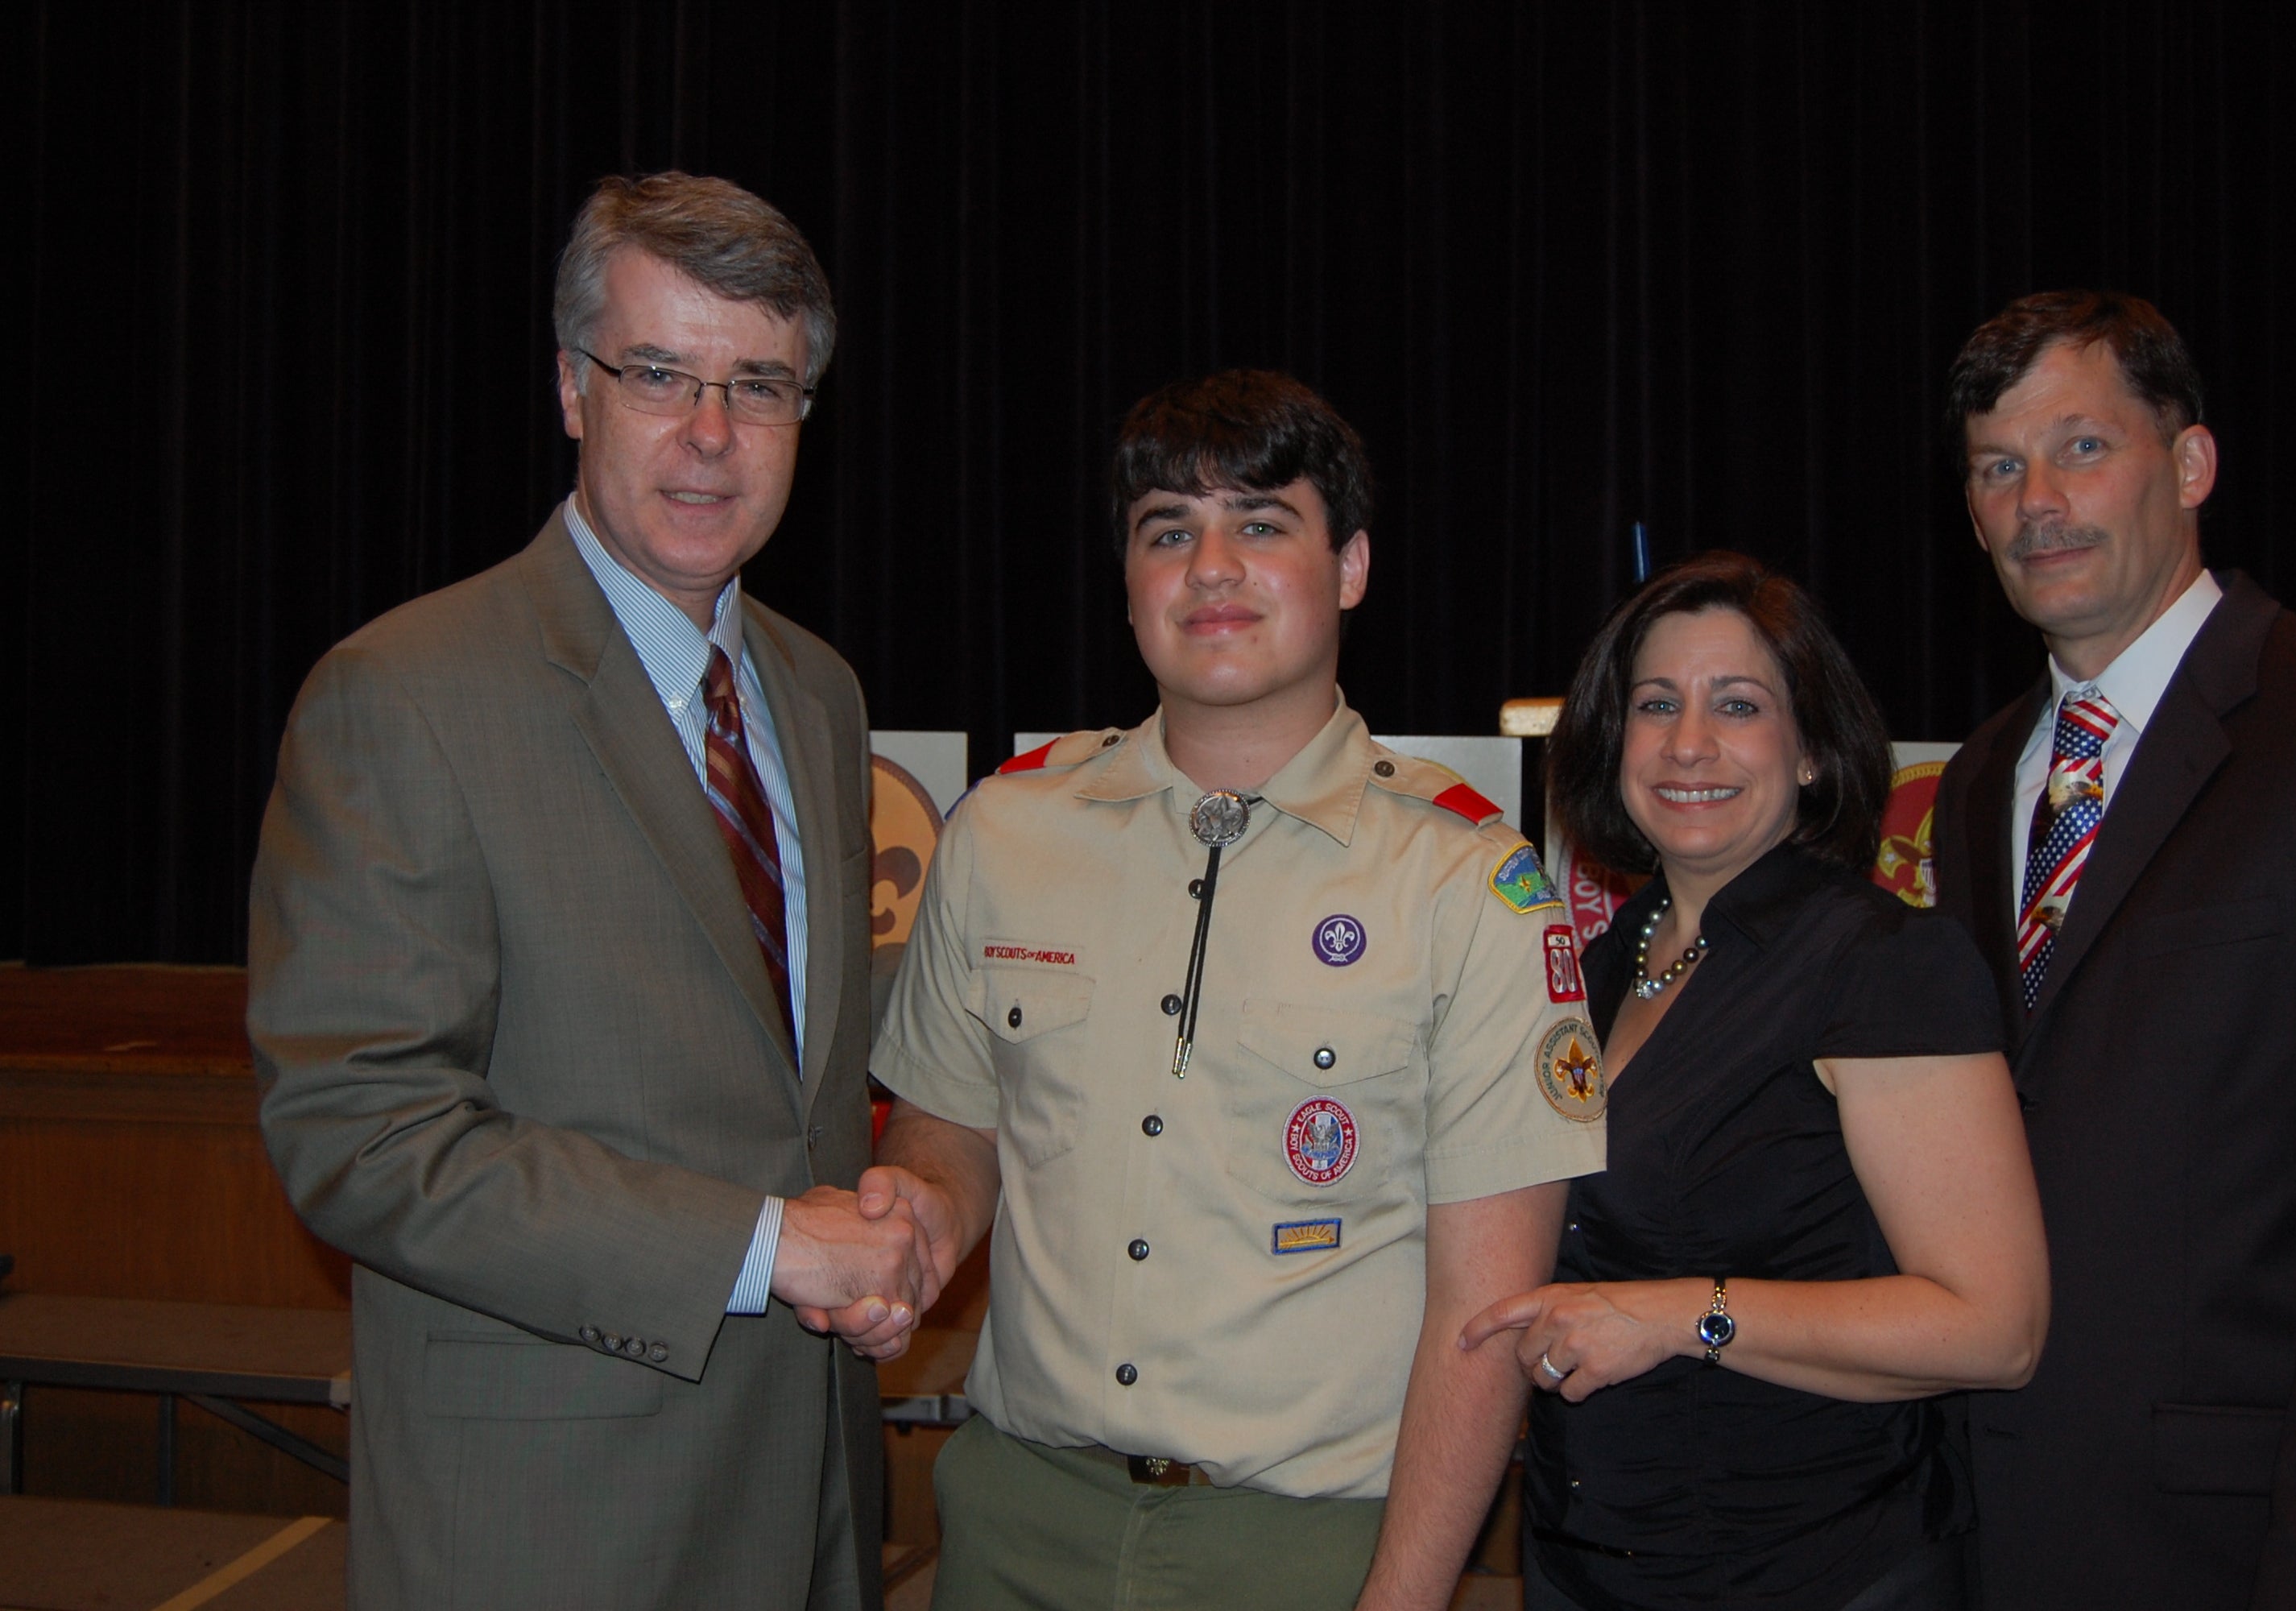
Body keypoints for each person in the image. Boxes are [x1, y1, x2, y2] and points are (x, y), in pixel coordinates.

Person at [250, 172, 923, 1610]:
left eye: (760, 385)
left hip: (805, 1493)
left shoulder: (817, 693)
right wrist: (764, 1246)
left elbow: (790, 1092)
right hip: (549, 1522)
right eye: (659, 373)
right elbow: (359, 1133)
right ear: (570, 388)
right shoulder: (403, 696)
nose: (709, 435)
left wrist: (877, 1228)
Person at [849, 369, 1610, 1610]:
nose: (1211, 567)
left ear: (1350, 565)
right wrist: (923, 1210)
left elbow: (1490, 1311)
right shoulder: (1004, 830)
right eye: (1168, 531)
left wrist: (1403, 1599)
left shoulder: (1467, 879)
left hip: (1315, 1548)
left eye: (1261, 523)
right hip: (1013, 1517)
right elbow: (955, 1123)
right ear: (1131, 580)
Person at [1934, 290, 2296, 1609]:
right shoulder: (1980, 785)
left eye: (2082, 447)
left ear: (2192, 464)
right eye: (1997, 465)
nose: (2038, 497)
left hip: (2255, 1544)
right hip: (1991, 1532)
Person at [1461, 552, 2050, 1611]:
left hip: (1814, 1571)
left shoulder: (1884, 965)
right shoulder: (1593, 970)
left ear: (1815, 749)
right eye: (1656, 705)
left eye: (1739, 705)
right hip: (1582, 1562)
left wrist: (1686, 1314)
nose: (1691, 744)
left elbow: (1992, 1329)